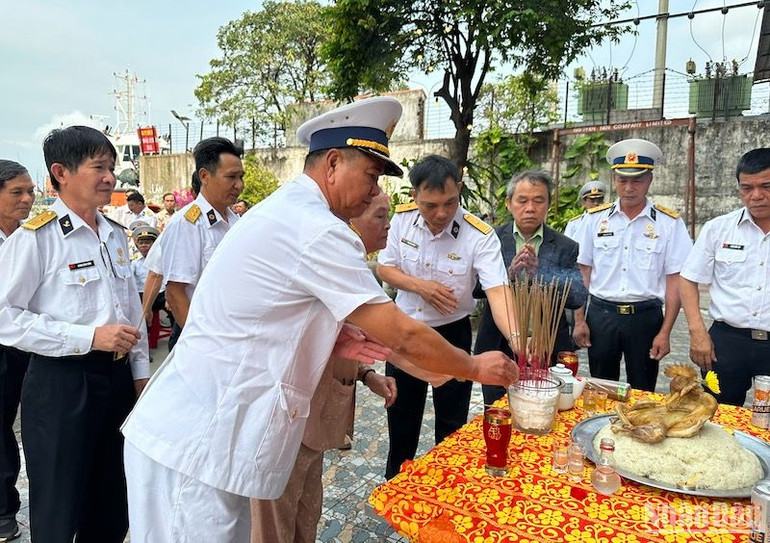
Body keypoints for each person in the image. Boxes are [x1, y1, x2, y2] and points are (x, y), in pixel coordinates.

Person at [121, 97, 516, 541]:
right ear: (332, 163)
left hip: (208, 436)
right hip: (196, 443)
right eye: (370, 176)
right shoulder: (317, 228)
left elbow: (278, 313)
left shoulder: (291, 212)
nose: (374, 192)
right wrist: (474, 366)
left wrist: (331, 338)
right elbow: (401, 333)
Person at [0, 126, 149, 542]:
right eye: (99, 167)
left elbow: (131, 309)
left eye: (112, 168)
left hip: (116, 380)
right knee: (59, 503)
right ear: (61, 172)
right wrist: (86, 337)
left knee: (112, 498)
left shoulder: (115, 235)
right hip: (62, 384)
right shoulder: (36, 239)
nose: (110, 178)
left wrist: (140, 373)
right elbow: (5, 317)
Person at [250, 192, 399, 543]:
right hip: (289, 419)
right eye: (379, 216)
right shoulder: (321, 265)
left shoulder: (357, 269)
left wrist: (368, 374)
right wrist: (462, 365)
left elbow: (341, 339)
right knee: (275, 524)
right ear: (352, 218)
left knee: (307, 514)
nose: (388, 224)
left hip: (317, 423)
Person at [377, 154, 516, 480]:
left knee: (452, 423)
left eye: (450, 203)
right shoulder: (401, 220)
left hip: (452, 333)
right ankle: (397, 483)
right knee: (401, 419)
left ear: (460, 190)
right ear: (414, 197)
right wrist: (419, 286)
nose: (441, 213)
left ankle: (448, 489)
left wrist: (518, 340)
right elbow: (384, 267)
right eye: (430, 205)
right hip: (404, 331)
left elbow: (498, 290)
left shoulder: (478, 234)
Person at [573, 138, 692, 392]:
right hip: (602, 316)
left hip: (646, 318)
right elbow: (583, 271)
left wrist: (666, 331)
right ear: (614, 179)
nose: (629, 187)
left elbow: (675, 279)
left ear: (649, 180)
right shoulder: (594, 220)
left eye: (637, 180)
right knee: (603, 389)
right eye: (622, 180)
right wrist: (579, 320)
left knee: (643, 389)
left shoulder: (668, 224)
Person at [474, 171, 588, 405]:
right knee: (499, 411)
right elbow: (475, 289)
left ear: (548, 204)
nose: (530, 208)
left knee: (546, 412)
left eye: (538, 200)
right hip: (500, 345)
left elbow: (577, 296)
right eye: (522, 200)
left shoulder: (565, 246)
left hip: (546, 347)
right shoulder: (490, 239)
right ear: (509, 203)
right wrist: (506, 275)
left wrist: (541, 276)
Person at [680, 148, 770, 406]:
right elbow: (688, 279)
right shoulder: (719, 228)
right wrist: (697, 332)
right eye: (747, 188)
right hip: (726, 344)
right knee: (716, 417)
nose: (756, 196)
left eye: (766, 186)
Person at [159, 137, 244, 350]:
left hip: (234, 334)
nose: (239, 185)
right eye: (231, 177)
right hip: (203, 338)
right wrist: (202, 346)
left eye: (241, 177)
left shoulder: (237, 222)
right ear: (205, 176)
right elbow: (176, 293)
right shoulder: (187, 223)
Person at [0, 160, 35, 541]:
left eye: (30, 192)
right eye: (16, 192)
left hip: (30, 347)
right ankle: (4, 511)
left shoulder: (33, 239)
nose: (26, 200)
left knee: (35, 427)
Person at [130, 224, 167, 314]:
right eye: (141, 243)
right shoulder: (134, 261)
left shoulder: (163, 259)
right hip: (141, 294)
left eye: (147, 243)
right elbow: (131, 281)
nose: (143, 246)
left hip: (160, 293)